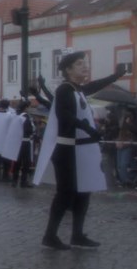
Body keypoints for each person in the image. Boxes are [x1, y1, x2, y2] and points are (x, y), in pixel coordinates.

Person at [35, 54, 126, 250]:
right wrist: (88, 128)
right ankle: (50, 235)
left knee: (84, 192)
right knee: (65, 194)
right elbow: (64, 116)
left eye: (85, 63)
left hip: (81, 149)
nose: (84, 66)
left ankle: (77, 235)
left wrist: (115, 76)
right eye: (79, 64)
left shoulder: (78, 89)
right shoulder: (64, 90)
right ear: (68, 70)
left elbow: (95, 85)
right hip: (67, 149)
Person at [9, 100, 35, 187]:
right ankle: (23, 181)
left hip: (18, 141)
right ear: (26, 108)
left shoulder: (17, 116)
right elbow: (29, 130)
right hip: (25, 142)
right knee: (26, 163)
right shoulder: (25, 117)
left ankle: (15, 180)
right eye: (29, 107)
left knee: (17, 161)